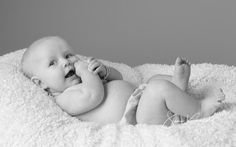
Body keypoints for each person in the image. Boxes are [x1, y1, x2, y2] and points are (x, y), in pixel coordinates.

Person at [21, 36, 225, 126]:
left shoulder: (84, 79)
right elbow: (95, 95)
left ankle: (177, 87)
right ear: (41, 84)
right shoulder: (64, 99)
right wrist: (86, 72)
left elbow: (119, 79)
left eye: (68, 55)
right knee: (158, 87)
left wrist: (106, 71)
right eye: (53, 63)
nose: (66, 63)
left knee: (155, 80)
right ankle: (199, 108)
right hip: (139, 119)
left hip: (139, 98)